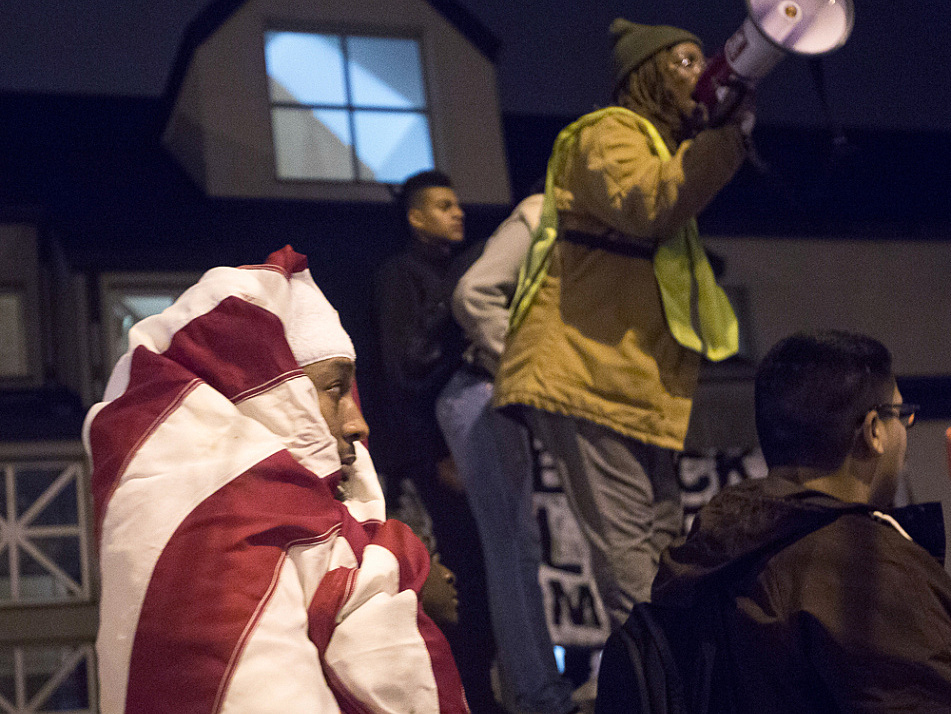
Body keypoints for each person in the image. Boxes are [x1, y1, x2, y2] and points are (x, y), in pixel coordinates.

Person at [86, 246, 468, 713]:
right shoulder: (206, 534)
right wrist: (405, 577)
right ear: (270, 391)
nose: (358, 424)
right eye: (333, 389)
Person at [493, 18, 753, 629]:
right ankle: (659, 679)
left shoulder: (663, 148)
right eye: (683, 62)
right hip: (583, 372)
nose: (700, 73)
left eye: (700, 61)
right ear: (646, 76)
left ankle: (672, 673)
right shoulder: (606, 133)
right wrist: (727, 140)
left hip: (628, 376)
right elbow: (649, 203)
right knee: (630, 549)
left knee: (663, 535)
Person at [650, 330, 951, 712]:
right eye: (901, 415)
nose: (904, 432)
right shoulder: (872, 569)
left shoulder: (709, 552)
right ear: (874, 430)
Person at [436, 190, 580, 714]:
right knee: (511, 553)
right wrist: (531, 374)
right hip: (482, 393)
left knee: (517, 552)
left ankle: (537, 691)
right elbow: (473, 297)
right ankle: (539, 695)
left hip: (494, 395)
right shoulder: (546, 209)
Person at [375, 170, 501, 712]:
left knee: (484, 580)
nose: (459, 213)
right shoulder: (399, 278)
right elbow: (405, 373)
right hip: (431, 465)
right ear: (416, 216)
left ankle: (481, 693)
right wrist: (436, 456)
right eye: (444, 205)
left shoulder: (462, 276)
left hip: (469, 453)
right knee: (450, 585)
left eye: (458, 203)